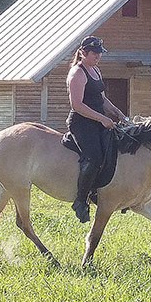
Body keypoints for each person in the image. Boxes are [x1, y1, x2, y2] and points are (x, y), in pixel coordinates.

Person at [66, 36, 126, 223]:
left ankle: (102, 190)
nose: (98, 56)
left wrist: (117, 113)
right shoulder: (77, 73)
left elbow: (102, 99)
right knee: (94, 158)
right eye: (94, 53)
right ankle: (81, 200)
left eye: (100, 53)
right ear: (83, 53)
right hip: (81, 124)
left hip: (98, 121)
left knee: (112, 150)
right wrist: (103, 119)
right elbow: (77, 105)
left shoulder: (96, 70)